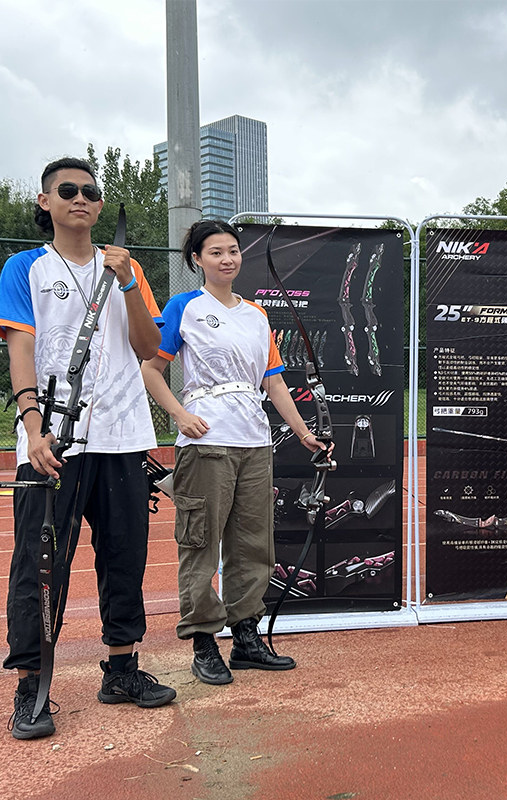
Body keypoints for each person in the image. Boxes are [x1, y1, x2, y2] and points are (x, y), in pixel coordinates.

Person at [1, 157, 175, 740]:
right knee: (39, 562)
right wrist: (32, 426)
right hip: (53, 440)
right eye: (67, 190)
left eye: (90, 191)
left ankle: (121, 669)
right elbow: (21, 350)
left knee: (124, 554)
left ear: (100, 206)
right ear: (45, 202)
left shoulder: (126, 267)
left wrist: (126, 282)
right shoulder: (24, 268)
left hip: (124, 437)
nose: (81, 198)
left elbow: (148, 346)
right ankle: (31, 685)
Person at [141, 220, 330, 685]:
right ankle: (203, 641)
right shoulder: (185, 306)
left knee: (252, 544)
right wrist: (179, 415)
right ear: (197, 259)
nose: (227, 259)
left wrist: (302, 432)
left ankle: (246, 636)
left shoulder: (256, 315)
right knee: (200, 542)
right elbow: (150, 369)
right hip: (206, 441)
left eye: (233, 250)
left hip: (255, 442)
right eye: (215, 252)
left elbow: (274, 381)